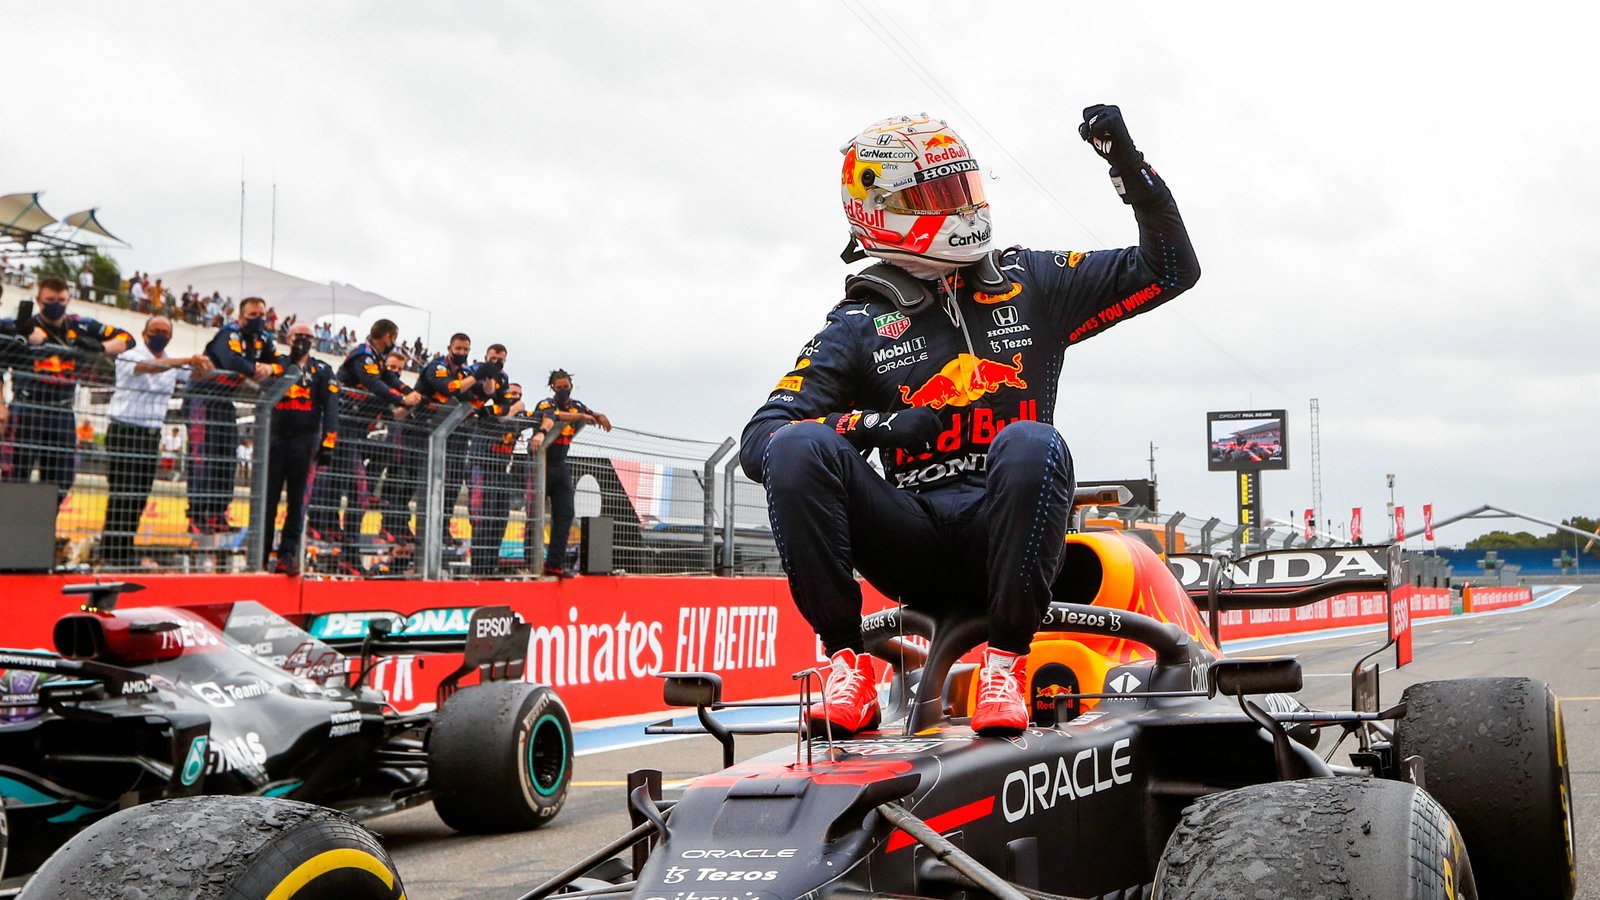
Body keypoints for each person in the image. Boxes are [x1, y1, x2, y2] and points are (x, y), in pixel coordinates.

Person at [738, 108, 1200, 736]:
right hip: (912, 542)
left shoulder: (1031, 280)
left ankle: (1005, 665)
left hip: (1012, 537)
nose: (960, 208)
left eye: (963, 189)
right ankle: (847, 666)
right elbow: (760, 442)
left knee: (1031, 442)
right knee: (797, 449)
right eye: (936, 194)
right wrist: (877, 425)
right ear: (882, 211)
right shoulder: (855, 327)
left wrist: (1129, 167)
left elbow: (1171, 270)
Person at [0, 277, 134, 506]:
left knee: (62, 478)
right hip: (27, 409)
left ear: (68, 299)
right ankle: (12, 531)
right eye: (50, 300)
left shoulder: (81, 325)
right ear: (39, 300)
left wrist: (101, 347)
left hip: (62, 411)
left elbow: (127, 338)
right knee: (15, 474)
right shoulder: (18, 326)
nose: (56, 304)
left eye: (61, 300)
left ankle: (42, 525)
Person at [103, 315, 212, 566]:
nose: (160, 334)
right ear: (144, 333)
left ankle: (125, 549)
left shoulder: (172, 362)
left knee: (140, 494)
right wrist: (186, 360)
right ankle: (112, 552)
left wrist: (204, 364)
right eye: (155, 330)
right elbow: (147, 367)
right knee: (121, 492)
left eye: (165, 331)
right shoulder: (131, 353)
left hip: (151, 434)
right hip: (125, 431)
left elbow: (199, 376)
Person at [308, 319, 419, 556]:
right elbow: (374, 383)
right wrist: (402, 399)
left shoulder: (377, 359)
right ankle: (319, 525)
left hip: (355, 428)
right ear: (387, 336)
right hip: (341, 422)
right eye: (393, 338)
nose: (393, 343)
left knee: (340, 478)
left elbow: (388, 379)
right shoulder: (364, 354)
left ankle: (331, 525)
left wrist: (409, 391)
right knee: (343, 479)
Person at [188, 297, 282, 534]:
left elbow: (281, 360)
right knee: (202, 457)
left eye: (262, 315)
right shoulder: (229, 333)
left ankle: (218, 513)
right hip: (202, 399)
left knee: (226, 458)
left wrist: (271, 368)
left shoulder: (262, 338)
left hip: (224, 401)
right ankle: (197, 515)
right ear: (241, 317)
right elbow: (231, 359)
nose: (258, 320)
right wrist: (255, 370)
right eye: (253, 315)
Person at [262, 322, 339, 575]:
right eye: (298, 336)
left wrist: (328, 443)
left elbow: (331, 409)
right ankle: (260, 554)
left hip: (306, 445)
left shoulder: (323, 370)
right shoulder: (277, 364)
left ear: (314, 341)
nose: (302, 340)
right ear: (288, 337)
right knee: (267, 501)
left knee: (298, 504)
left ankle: (287, 555)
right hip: (274, 442)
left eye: (307, 336)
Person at [531, 368, 611, 577]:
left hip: (561, 465)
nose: (563, 391)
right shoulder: (546, 404)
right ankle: (529, 562)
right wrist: (582, 416)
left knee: (565, 515)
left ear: (571, 386)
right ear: (552, 388)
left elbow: (589, 414)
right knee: (535, 515)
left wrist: (599, 416)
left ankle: (554, 564)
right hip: (540, 465)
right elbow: (554, 416)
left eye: (566, 387)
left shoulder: (577, 406)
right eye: (559, 388)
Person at [469, 379, 526, 577]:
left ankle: (491, 569)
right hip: (482, 468)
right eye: (512, 393)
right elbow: (501, 420)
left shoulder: (520, 417)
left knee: (500, 521)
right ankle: (477, 570)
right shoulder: (491, 408)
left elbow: (542, 416)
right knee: (483, 520)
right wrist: (515, 409)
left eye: (519, 394)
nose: (515, 398)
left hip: (503, 471)